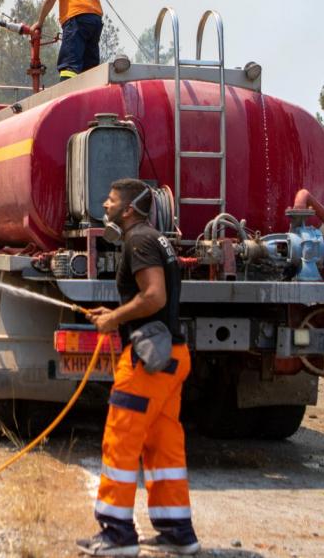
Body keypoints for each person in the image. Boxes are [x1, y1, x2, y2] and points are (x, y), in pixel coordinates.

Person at [77, 178, 198, 556]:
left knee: (121, 439)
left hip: (147, 361)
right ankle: (178, 532)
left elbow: (153, 295)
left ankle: (116, 535)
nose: (105, 204)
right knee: (164, 445)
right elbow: (152, 299)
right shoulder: (156, 238)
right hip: (171, 356)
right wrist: (114, 313)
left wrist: (115, 320)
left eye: (111, 200)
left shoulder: (138, 241)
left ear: (128, 209)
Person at [35, 0, 104, 79]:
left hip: (77, 19)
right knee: (89, 69)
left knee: (69, 65)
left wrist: (40, 22)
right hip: (96, 22)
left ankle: (68, 95)